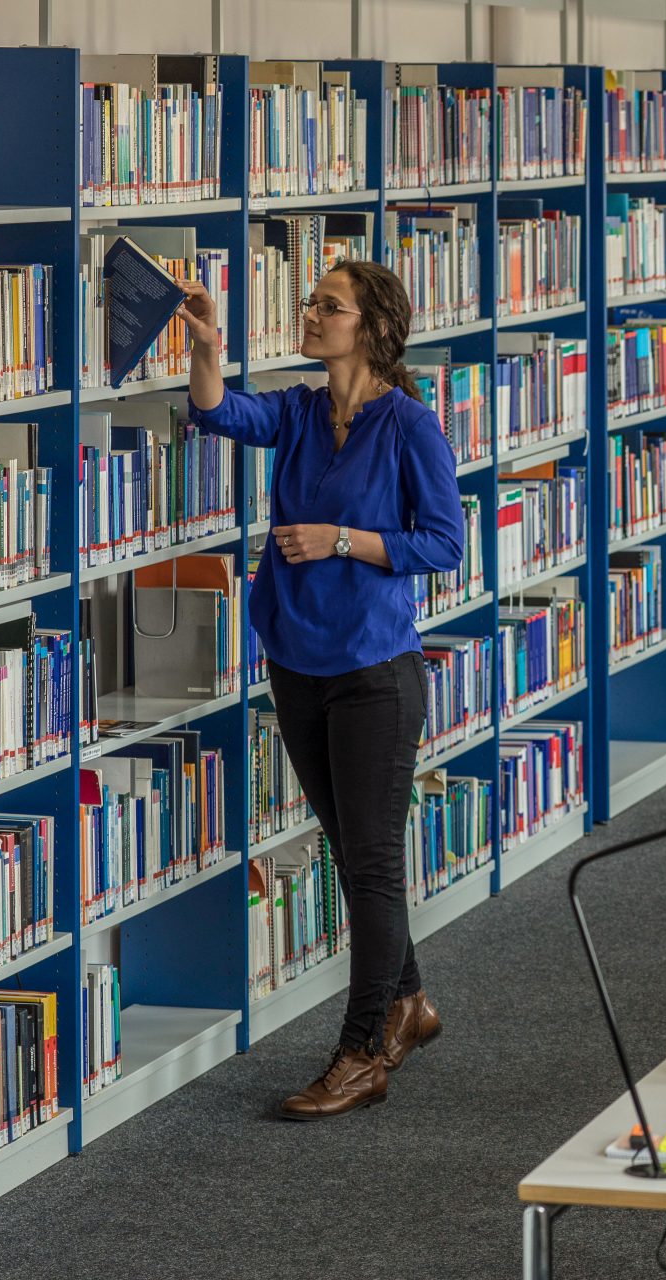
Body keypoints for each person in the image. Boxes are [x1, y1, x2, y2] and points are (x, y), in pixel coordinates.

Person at [178, 263, 464, 1119]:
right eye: (310, 302)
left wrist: (344, 538)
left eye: (327, 306)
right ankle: (410, 1001)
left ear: (369, 328)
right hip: (296, 663)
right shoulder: (301, 412)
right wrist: (206, 345)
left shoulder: (410, 425)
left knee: (372, 864)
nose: (310, 314)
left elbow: (443, 542)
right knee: (350, 852)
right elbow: (217, 411)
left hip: (374, 672)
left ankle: (363, 1051)